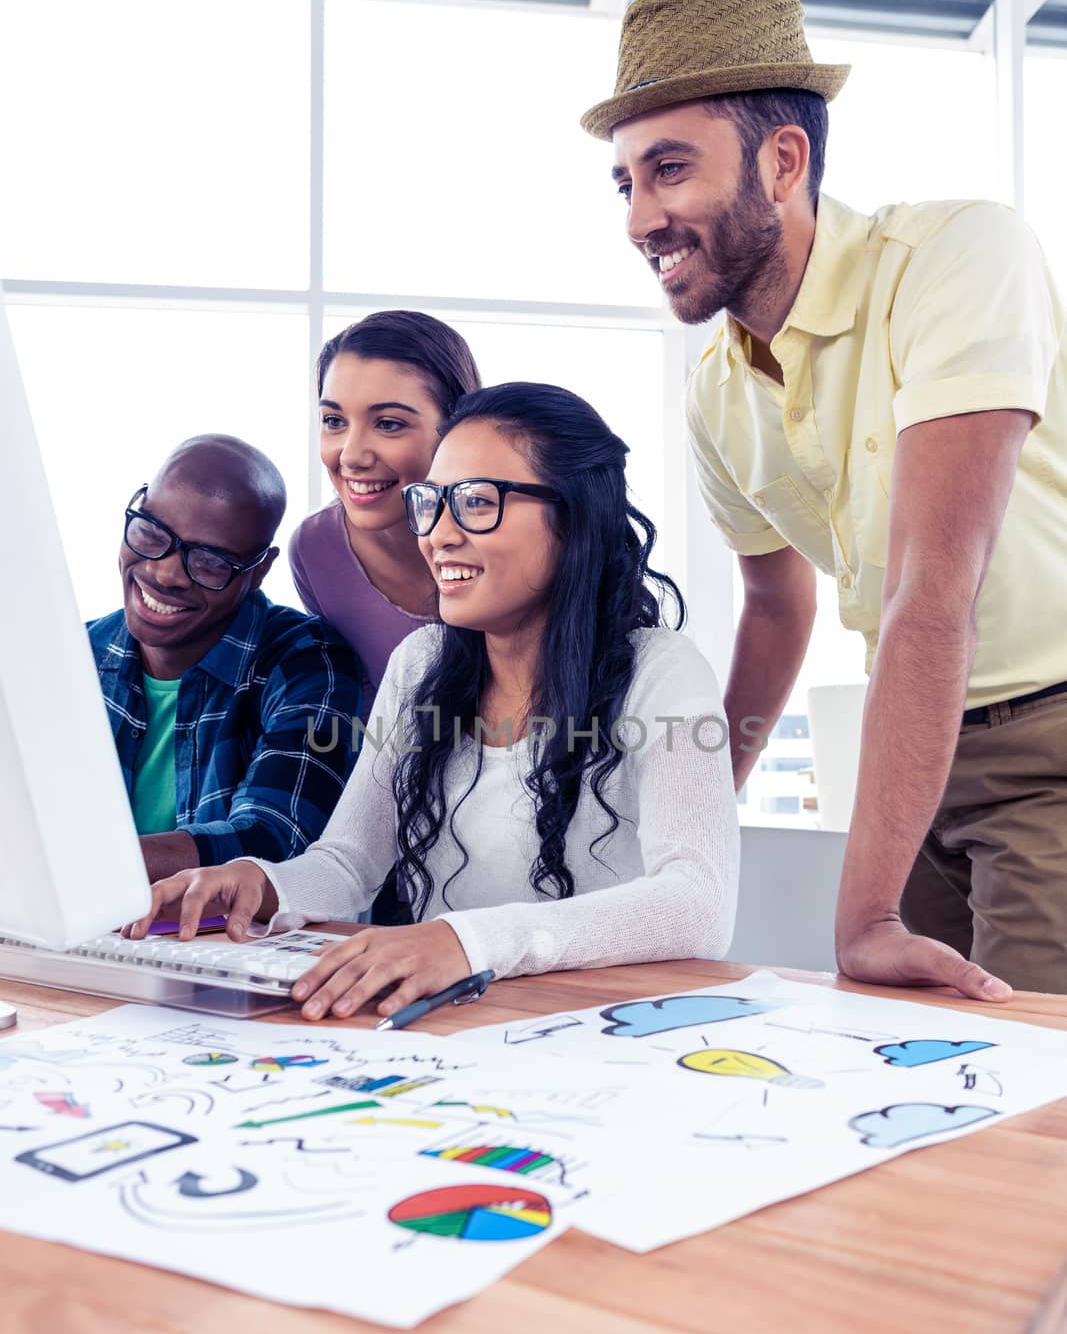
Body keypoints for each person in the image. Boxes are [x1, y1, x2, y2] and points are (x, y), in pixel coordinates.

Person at [583, 0, 1067, 1334]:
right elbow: (774, 607)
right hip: (921, 752)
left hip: (1052, 728)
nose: (638, 214)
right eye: (623, 181)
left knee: (1029, 1147)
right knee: (906, 1121)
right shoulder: (719, 389)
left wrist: (856, 913)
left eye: (667, 168)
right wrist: (693, 828)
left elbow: (933, 594)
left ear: (779, 163)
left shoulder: (953, 253)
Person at [123, 383, 740, 1023]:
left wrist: (465, 941)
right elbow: (349, 863)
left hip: (595, 1031)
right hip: (450, 1025)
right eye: (432, 502)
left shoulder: (661, 672)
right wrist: (263, 881)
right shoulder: (420, 665)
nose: (438, 535)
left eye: (475, 502)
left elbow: (699, 903)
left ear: (575, 516)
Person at [90, 434, 363, 883]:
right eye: (150, 533)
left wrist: (72, 864)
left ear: (258, 571)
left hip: (223, 947)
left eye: (211, 562)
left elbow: (275, 841)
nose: (164, 573)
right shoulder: (75, 658)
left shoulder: (308, 662)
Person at [289, 311, 482, 699]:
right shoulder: (315, 549)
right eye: (333, 421)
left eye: (388, 424)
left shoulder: (510, 537)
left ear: (457, 425)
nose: (352, 456)